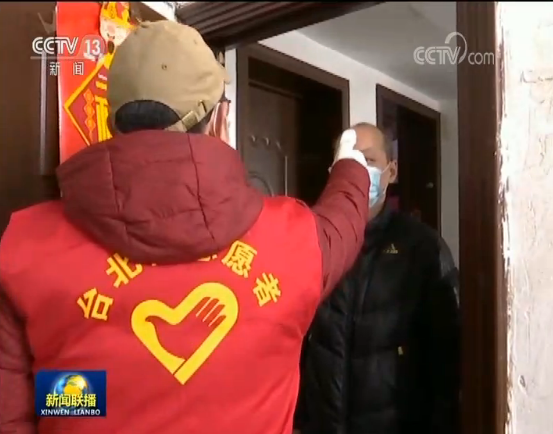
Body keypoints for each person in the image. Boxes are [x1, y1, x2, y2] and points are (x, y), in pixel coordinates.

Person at [0, 21, 373, 434]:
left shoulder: (26, 249)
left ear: (112, 124)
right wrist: (351, 168)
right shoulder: (295, 241)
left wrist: (92, 395)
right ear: (219, 121)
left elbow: (16, 414)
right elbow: (344, 222)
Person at [293, 123, 460, 434]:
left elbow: (446, 357)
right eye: (349, 162)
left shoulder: (422, 246)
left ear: (391, 171)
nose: (358, 171)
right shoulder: (312, 240)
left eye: (369, 160)